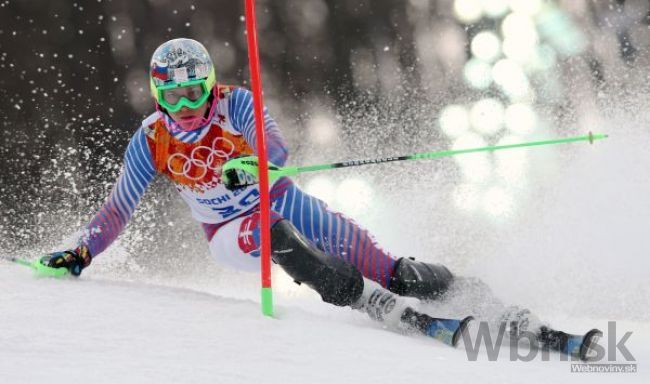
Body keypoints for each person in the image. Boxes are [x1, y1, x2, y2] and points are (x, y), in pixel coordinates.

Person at [41, 38, 599, 357]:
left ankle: (472, 296)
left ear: (210, 82)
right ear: (159, 92)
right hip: (228, 233)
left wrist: (250, 162)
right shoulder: (152, 139)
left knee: (386, 265)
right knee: (275, 237)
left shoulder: (235, 104)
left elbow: (277, 148)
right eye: (173, 91)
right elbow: (119, 207)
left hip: (277, 194)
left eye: (195, 88)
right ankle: (362, 299)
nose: (187, 102)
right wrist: (83, 253)